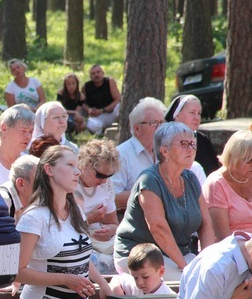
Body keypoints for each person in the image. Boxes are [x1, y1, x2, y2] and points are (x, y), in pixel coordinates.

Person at [15, 145, 112, 299]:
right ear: (48, 170)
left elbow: (80, 256)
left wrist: (102, 283)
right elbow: (19, 272)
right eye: (69, 165)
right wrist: (66, 279)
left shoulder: (76, 212)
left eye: (77, 165)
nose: (77, 171)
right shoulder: (33, 217)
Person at [114, 122, 215, 280]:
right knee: (196, 282)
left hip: (178, 254)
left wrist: (207, 261)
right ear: (164, 150)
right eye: (183, 144)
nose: (191, 149)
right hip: (142, 256)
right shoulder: (149, 181)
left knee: (217, 277)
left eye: (193, 144)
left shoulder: (191, 179)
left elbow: (206, 222)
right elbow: (158, 228)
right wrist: (186, 268)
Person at [203, 130, 252, 241]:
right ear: (233, 158)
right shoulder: (216, 184)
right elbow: (223, 237)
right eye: (249, 160)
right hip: (230, 249)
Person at [111, 97, 167, 211]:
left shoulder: (165, 152)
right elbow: (112, 197)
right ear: (137, 128)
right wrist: (149, 194)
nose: (160, 128)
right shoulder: (121, 155)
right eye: (154, 123)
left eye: (162, 122)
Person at [75, 140, 120, 275]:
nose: (104, 180)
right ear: (86, 165)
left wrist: (110, 230)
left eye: (109, 176)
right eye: (100, 175)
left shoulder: (106, 185)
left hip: (103, 244)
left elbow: (114, 223)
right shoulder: (70, 182)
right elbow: (60, 229)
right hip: (78, 244)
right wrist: (88, 220)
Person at [165, 95, 220, 176]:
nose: (197, 118)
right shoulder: (167, 140)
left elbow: (215, 170)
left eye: (199, 113)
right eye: (192, 113)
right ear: (176, 115)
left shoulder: (203, 139)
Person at [0, 155, 40, 221]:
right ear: (21, 184)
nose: (45, 187)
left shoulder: (35, 202)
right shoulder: (2, 202)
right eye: (39, 182)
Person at [81, 65, 121, 135]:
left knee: (120, 106)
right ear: (90, 77)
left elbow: (118, 99)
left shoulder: (110, 82)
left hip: (112, 113)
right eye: (93, 73)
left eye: (98, 72)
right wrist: (89, 110)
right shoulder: (86, 86)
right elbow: (82, 103)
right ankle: (102, 133)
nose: (96, 75)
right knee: (91, 125)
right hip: (97, 117)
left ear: (102, 73)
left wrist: (103, 110)